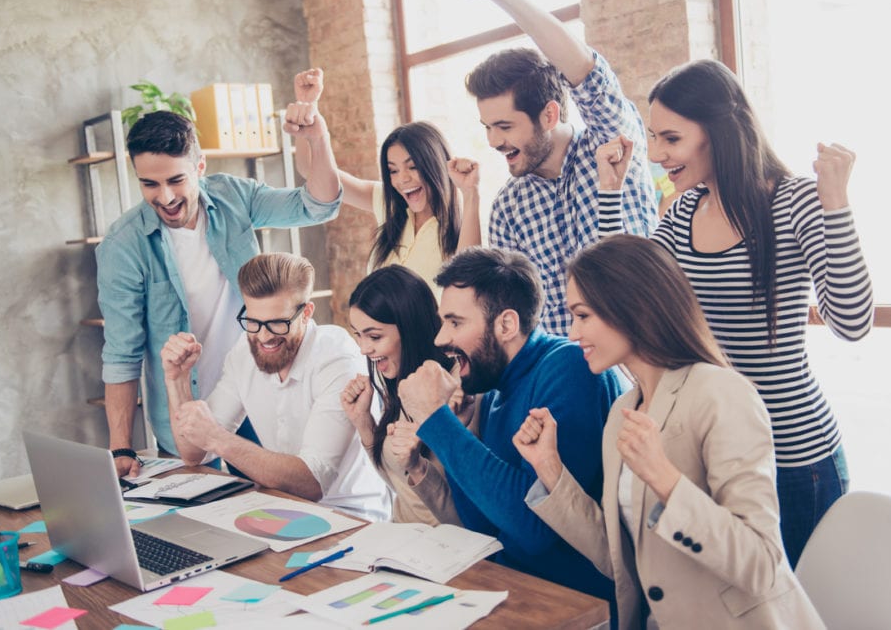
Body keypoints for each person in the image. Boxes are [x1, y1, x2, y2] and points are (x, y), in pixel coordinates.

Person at [595, 58, 874, 565]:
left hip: (795, 457)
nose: (657, 155)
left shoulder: (794, 203)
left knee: (786, 610)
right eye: (654, 138)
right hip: (717, 452)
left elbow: (852, 321)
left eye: (671, 139)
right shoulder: (682, 213)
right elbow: (623, 294)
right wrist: (610, 195)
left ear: (718, 131)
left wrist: (836, 202)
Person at [514, 235, 825, 630]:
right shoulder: (623, 412)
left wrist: (665, 480)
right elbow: (619, 561)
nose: (573, 334)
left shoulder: (720, 393)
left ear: (632, 307)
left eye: (583, 315)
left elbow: (761, 564)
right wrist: (550, 469)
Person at [97, 110, 342, 477]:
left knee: (276, 512)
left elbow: (317, 204)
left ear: (199, 166)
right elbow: (121, 354)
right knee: (201, 525)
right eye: (149, 184)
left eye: (175, 180)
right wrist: (121, 447)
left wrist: (317, 138)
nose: (165, 197)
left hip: (260, 394)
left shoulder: (233, 197)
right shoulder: (123, 245)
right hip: (185, 411)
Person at [396, 247, 625, 604]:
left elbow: (535, 533)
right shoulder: (495, 388)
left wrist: (435, 420)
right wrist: (452, 427)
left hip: (578, 607)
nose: (441, 339)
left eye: (455, 322)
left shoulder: (569, 366)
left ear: (506, 324)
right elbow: (484, 528)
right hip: (518, 592)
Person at [447, 0, 658, 336]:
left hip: (644, 361)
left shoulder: (608, 146)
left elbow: (587, 71)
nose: (494, 141)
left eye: (504, 126)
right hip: (566, 380)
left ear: (549, 114)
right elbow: (512, 319)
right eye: (487, 127)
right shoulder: (509, 207)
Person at [161, 252, 390, 521]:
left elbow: (311, 483)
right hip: (286, 511)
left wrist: (217, 438)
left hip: (352, 518)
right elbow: (194, 453)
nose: (264, 336)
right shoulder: (244, 353)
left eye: (277, 324)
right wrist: (177, 379)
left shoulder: (337, 358)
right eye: (254, 322)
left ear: (306, 313)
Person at [289, 69, 481, 292]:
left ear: (435, 164)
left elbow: (470, 283)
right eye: (393, 170)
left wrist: (471, 192)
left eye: (412, 166)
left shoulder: (459, 224)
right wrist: (307, 106)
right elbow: (311, 169)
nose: (403, 179)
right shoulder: (389, 203)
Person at [341, 265, 467, 525]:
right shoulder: (403, 378)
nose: (363, 349)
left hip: (450, 549)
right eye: (358, 335)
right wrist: (363, 422)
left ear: (410, 328)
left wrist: (418, 466)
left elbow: (466, 517)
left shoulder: (457, 389)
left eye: (374, 336)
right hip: (403, 540)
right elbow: (402, 486)